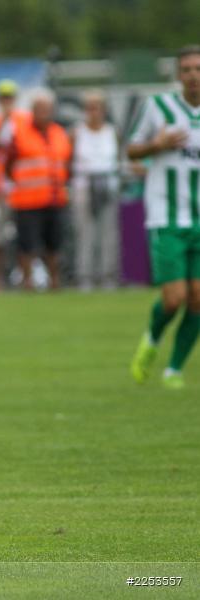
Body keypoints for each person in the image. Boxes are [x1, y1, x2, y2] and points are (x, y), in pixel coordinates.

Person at [128, 45, 200, 390]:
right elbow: (131, 149)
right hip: (167, 218)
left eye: (198, 69)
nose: (193, 75)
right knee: (174, 299)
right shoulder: (158, 107)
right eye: (187, 69)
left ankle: (174, 369)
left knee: (198, 298)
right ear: (177, 74)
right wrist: (156, 146)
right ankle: (152, 339)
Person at [5, 90, 72, 290]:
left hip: (54, 199)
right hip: (27, 200)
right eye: (39, 109)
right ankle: (28, 282)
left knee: (54, 243)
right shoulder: (20, 133)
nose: (44, 113)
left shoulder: (59, 133)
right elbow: (9, 164)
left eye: (47, 109)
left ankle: (54, 282)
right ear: (32, 111)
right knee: (27, 244)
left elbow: (66, 163)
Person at [0, 79, 31, 291]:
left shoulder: (25, 119)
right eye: (3, 98)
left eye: (9, 97)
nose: (7, 101)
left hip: (21, 189)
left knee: (24, 237)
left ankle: (25, 279)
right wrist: (4, 119)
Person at [70, 90, 120, 290]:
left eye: (96, 108)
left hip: (108, 185)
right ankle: (85, 276)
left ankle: (108, 276)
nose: (93, 112)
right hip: (84, 186)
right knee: (85, 233)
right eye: (89, 108)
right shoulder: (77, 132)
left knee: (109, 233)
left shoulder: (112, 132)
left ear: (104, 110)